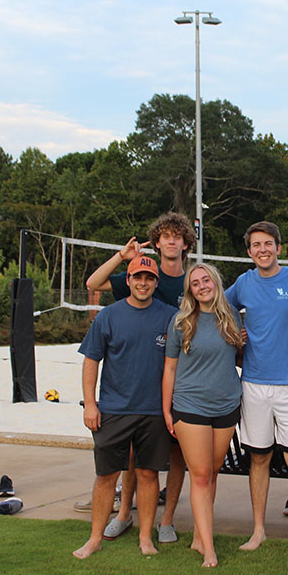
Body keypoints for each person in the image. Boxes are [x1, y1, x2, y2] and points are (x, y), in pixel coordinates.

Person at [82, 212, 194, 543]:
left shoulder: (193, 283)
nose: (171, 241)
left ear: (186, 243)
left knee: (173, 458)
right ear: (157, 243)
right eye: (165, 236)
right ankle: (123, 513)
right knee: (133, 457)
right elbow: (93, 284)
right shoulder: (140, 274)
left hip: (176, 386)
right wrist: (122, 256)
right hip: (133, 393)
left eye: (178, 236)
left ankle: (167, 520)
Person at [225, 220, 288, 555]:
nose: (262, 250)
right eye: (256, 245)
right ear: (249, 251)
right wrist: (235, 333)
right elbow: (216, 309)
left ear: (279, 248)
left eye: (268, 244)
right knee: (259, 458)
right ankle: (258, 531)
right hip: (253, 383)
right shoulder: (243, 283)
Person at [72, 255, 177, 559]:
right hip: (114, 410)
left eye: (149, 278)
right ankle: (94, 539)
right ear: (128, 281)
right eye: (137, 277)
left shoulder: (170, 316)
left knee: (147, 475)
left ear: (156, 283)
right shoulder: (108, 316)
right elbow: (91, 361)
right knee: (106, 476)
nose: (143, 283)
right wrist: (90, 405)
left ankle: (146, 537)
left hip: (154, 411)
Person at [161, 263, 244, 567]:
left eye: (205, 280)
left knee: (212, 470)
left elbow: (234, 356)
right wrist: (166, 409)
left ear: (215, 282)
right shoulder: (181, 321)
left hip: (226, 405)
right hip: (190, 406)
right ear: (190, 291)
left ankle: (200, 535)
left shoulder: (231, 316)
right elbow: (169, 368)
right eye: (195, 283)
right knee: (199, 475)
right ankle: (209, 549)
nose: (201, 286)